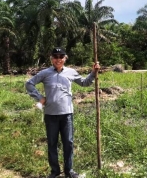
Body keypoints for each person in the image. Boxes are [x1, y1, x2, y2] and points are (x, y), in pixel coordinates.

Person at [25, 47, 100, 178]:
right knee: (52, 143)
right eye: (55, 56)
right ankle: (54, 171)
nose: (58, 59)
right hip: (50, 115)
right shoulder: (45, 73)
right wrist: (40, 98)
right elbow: (29, 84)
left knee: (68, 143)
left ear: (65, 58)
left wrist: (93, 72)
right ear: (51, 58)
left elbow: (84, 83)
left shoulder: (71, 72)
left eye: (61, 56)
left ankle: (69, 171)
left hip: (67, 114)